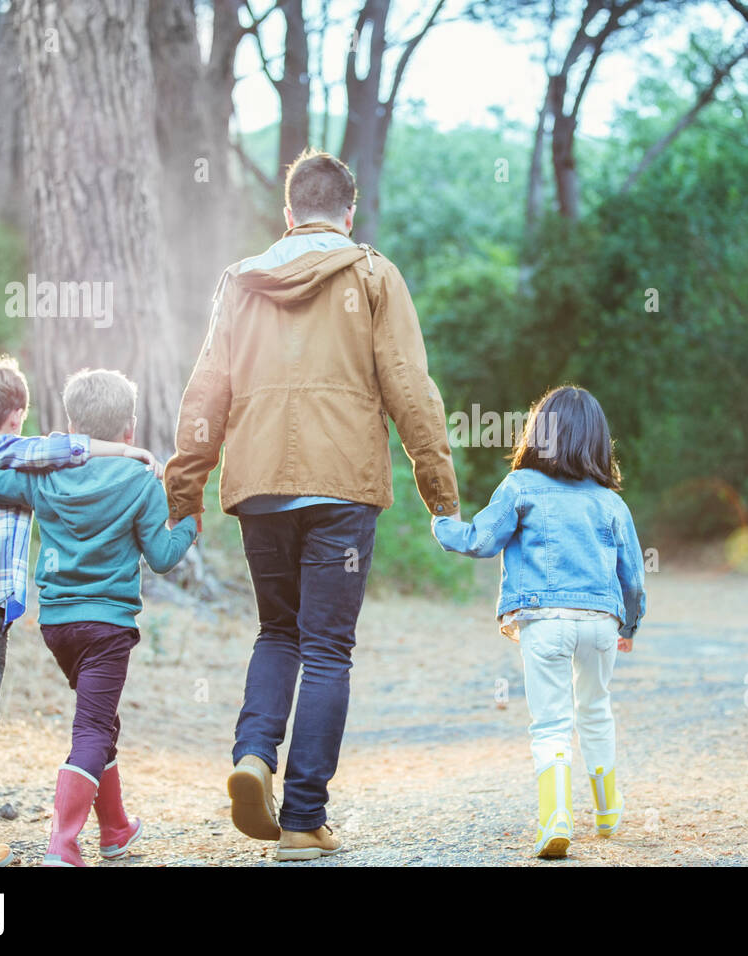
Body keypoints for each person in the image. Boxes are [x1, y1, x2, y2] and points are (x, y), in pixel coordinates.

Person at [164, 148, 459, 861]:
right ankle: (301, 820)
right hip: (342, 491)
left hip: (260, 489)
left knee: (278, 632)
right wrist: (439, 494)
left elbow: (206, 391)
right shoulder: (373, 273)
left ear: (289, 214)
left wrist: (185, 490)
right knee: (327, 647)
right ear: (348, 214)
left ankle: (253, 755)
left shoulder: (241, 281)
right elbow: (410, 390)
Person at [0, 355, 159, 867]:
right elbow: (76, 448)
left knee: (80, 720)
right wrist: (131, 452)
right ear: (19, 414)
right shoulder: (25, 455)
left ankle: (113, 827)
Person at [432, 385, 646, 859]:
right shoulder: (612, 502)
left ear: (537, 433)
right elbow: (632, 576)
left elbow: (482, 541)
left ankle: (556, 820)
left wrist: (443, 524)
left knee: (551, 721)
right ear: (597, 441)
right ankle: (608, 812)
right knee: (596, 709)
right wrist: (628, 625)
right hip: (599, 623)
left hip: (544, 621)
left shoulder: (520, 487)